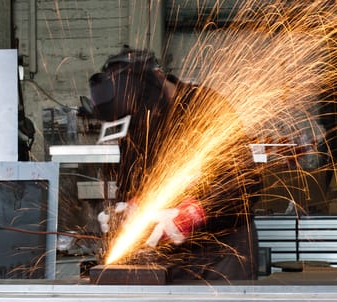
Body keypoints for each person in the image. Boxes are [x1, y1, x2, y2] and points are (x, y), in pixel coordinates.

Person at [81, 47, 261, 282]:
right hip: (172, 258)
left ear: (157, 78)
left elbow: (247, 181)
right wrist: (127, 207)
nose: (141, 118)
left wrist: (194, 212)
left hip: (222, 254)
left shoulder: (206, 107)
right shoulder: (138, 122)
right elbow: (130, 182)